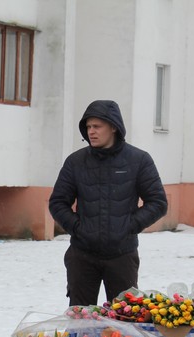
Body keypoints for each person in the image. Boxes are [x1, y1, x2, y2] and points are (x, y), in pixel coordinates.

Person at [49, 100, 168, 306]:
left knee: (124, 320)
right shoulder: (75, 162)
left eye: (97, 126)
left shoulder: (139, 160)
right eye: (88, 127)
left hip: (122, 255)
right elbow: (58, 202)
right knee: (81, 318)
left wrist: (128, 226)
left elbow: (158, 202)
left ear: (113, 126)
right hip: (82, 255)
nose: (91, 132)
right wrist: (79, 228)